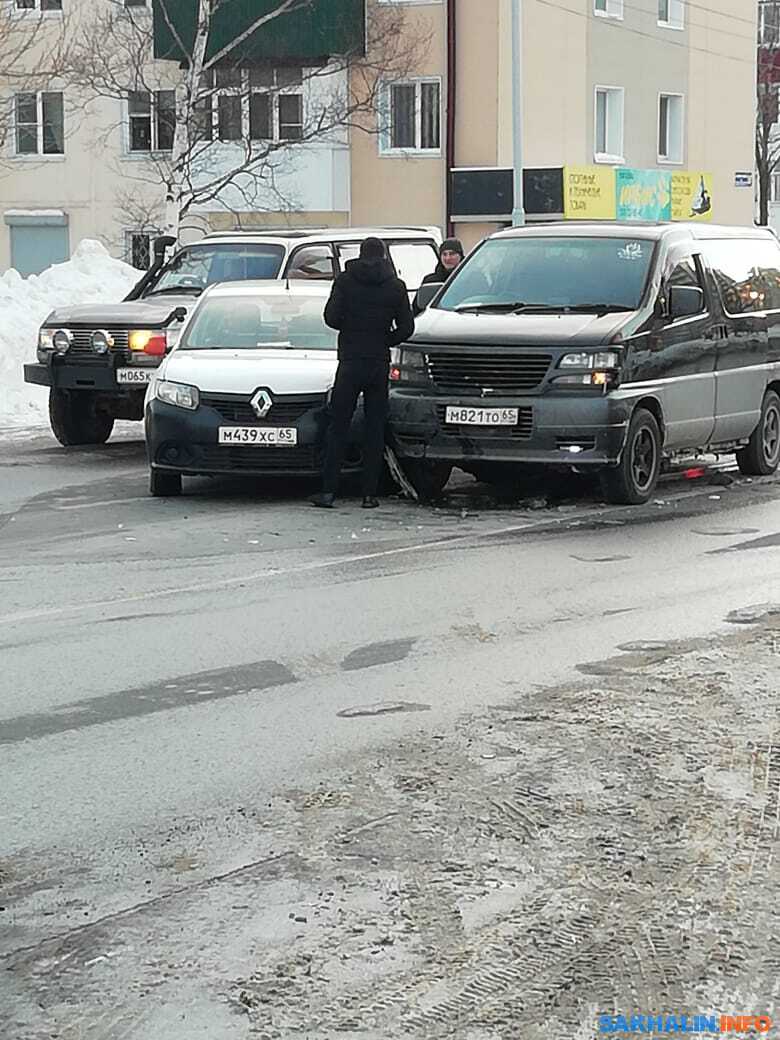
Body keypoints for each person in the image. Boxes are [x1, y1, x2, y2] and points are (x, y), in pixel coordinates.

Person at [313, 237, 414, 510]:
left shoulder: (345, 281)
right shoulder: (395, 286)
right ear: (383, 256)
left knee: (339, 425)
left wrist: (351, 327)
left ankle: (328, 491)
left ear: (360, 254)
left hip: (349, 360)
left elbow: (331, 318)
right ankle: (369, 494)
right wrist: (385, 339)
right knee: (375, 427)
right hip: (378, 361)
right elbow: (407, 327)